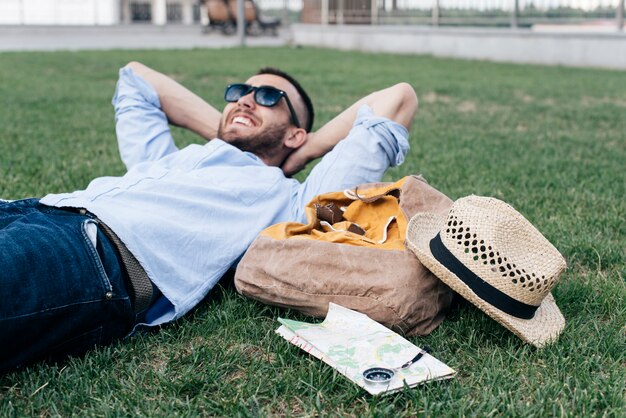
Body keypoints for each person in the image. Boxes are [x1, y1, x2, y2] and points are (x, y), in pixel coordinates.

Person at [0, 61, 417, 372]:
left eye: (270, 98)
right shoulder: (172, 160)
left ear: (294, 132)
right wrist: (230, 132)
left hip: (92, 255)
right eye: (239, 92)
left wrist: (300, 152)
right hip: (32, 209)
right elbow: (136, 78)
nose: (247, 98)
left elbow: (396, 99)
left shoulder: (291, 199)